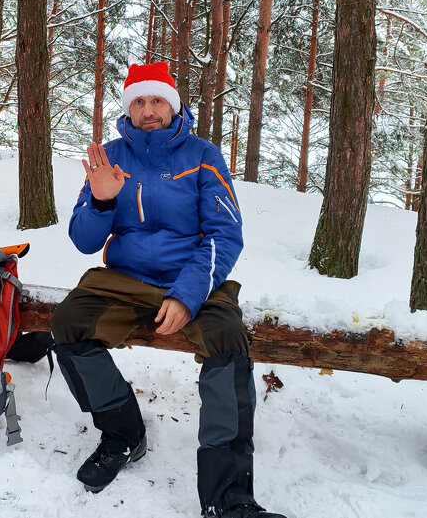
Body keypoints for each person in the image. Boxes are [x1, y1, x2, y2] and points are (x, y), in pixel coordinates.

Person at [52, 62, 285, 518]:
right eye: (138, 101)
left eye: (157, 99)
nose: (148, 110)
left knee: (227, 340)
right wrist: (100, 200)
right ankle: (122, 434)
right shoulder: (111, 157)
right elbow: (83, 241)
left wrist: (186, 295)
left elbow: (225, 233)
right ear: (128, 109)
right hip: (125, 280)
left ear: (174, 104)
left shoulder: (203, 155)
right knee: (68, 324)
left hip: (193, 279)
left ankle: (227, 495)